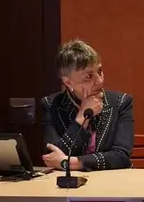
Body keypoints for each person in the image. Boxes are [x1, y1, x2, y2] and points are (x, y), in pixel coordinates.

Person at [41, 39, 134, 172]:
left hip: (115, 182)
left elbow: (121, 156)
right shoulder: (50, 105)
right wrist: (81, 119)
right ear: (68, 82)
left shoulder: (121, 103)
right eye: (89, 76)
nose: (100, 81)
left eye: (100, 71)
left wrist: (73, 163)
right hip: (69, 186)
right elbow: (52, 156)